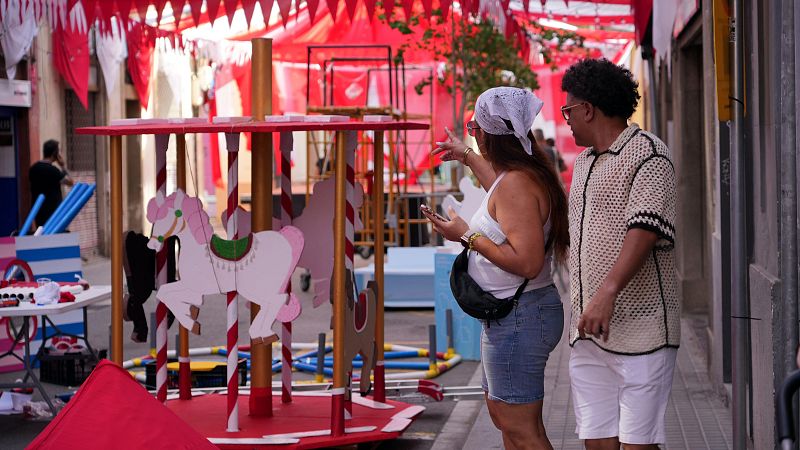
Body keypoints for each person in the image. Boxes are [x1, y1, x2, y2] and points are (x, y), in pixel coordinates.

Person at [427, 87, 569, 449]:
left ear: (490, 135)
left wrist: (467, 237)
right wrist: (468, 157)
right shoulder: (518, 176)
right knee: (507, 419)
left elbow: (528, 262)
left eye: (474, 128)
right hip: (518, 315)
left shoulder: (519, 182)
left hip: (520, 317)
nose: (472, 132)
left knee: (520, 427)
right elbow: (503, 199)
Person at [561, 58, 678, 450]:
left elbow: (644, 230)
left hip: (642, 333)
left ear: (588, 109)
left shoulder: (649, 155)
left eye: (568, 110)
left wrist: (606, 294)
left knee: (637, 446)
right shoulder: (583, 163)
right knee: (596, 442)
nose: (567, 119)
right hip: (588, 333)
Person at [29, 139, 73, 228]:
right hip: (53, 212)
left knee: (41, 235)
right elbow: (70, 182)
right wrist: (62, 166)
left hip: (38, 210)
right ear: (55, 154)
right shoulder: (53, 171)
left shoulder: (33, 168)